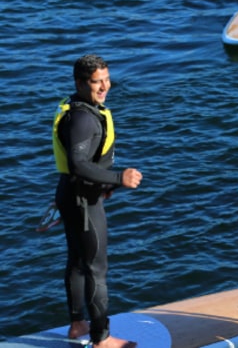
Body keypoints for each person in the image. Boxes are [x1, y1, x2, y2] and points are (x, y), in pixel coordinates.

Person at [53, 55, 143, 348]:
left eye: (106, 79)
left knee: (79, 263)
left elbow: (80, 166)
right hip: (82, 202)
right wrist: (118, 178)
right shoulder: (82, 118)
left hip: (73, 193)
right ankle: (101, 338)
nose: (104, 86)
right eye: (96, 81)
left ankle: (78, 324)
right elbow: (78, 163)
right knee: (96, 268)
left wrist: (102, 182)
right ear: (80, 83)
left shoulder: (80, 108)